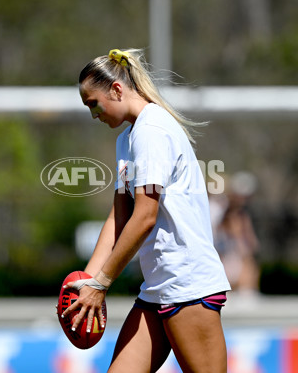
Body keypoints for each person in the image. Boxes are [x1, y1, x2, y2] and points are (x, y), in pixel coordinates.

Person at [61, 48, 231, 373]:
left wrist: (102, 283)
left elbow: (144, 217)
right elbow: (119, 216)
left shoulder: (152, 131)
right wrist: (88, 279)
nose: (93, 114)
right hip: (157, 288)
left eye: (93, 103)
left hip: (188, 286)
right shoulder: (127, 138)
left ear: (116, 89)